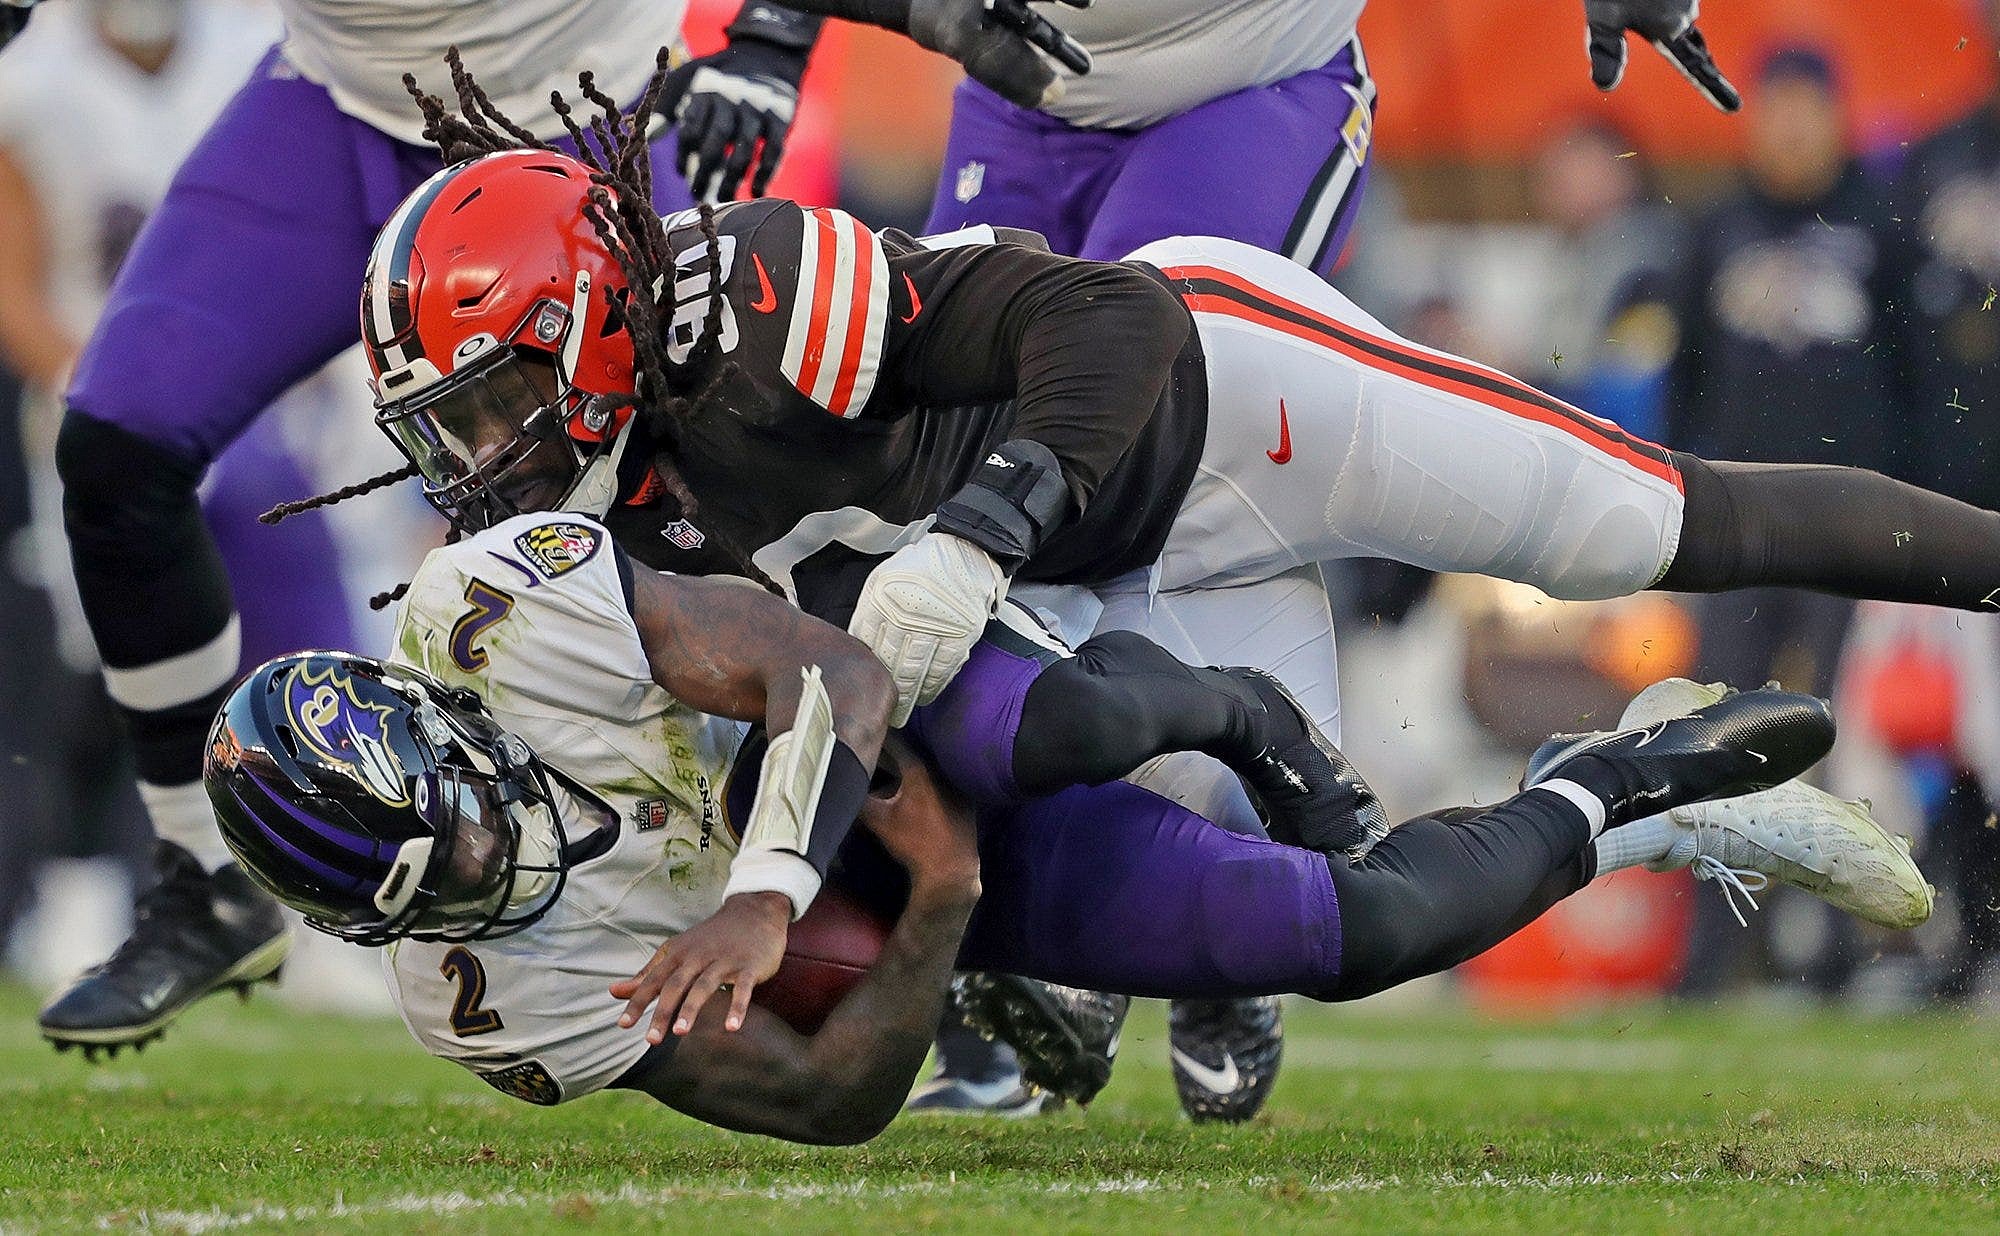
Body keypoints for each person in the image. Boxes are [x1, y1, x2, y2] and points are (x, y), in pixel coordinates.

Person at [10, 0, 1096, 1057]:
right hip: (335, 96)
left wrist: (774, 35)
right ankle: (205, 879)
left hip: (585, 112)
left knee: (707, 514)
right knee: (119, 445)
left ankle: (954, 894)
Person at [200, 500, 1926, 1140]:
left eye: (481, 826)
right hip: (899, 877)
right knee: (1360, 936)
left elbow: (830, 676)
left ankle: (1248, 709)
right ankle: (1636, 787)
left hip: (890, 686)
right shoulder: (480, 999)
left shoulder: (496, 608)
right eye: (461, 894)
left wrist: (767, 889)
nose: (505, 877)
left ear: (444, 720)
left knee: (1079, 715)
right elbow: (817, 1099)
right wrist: (936, 917)